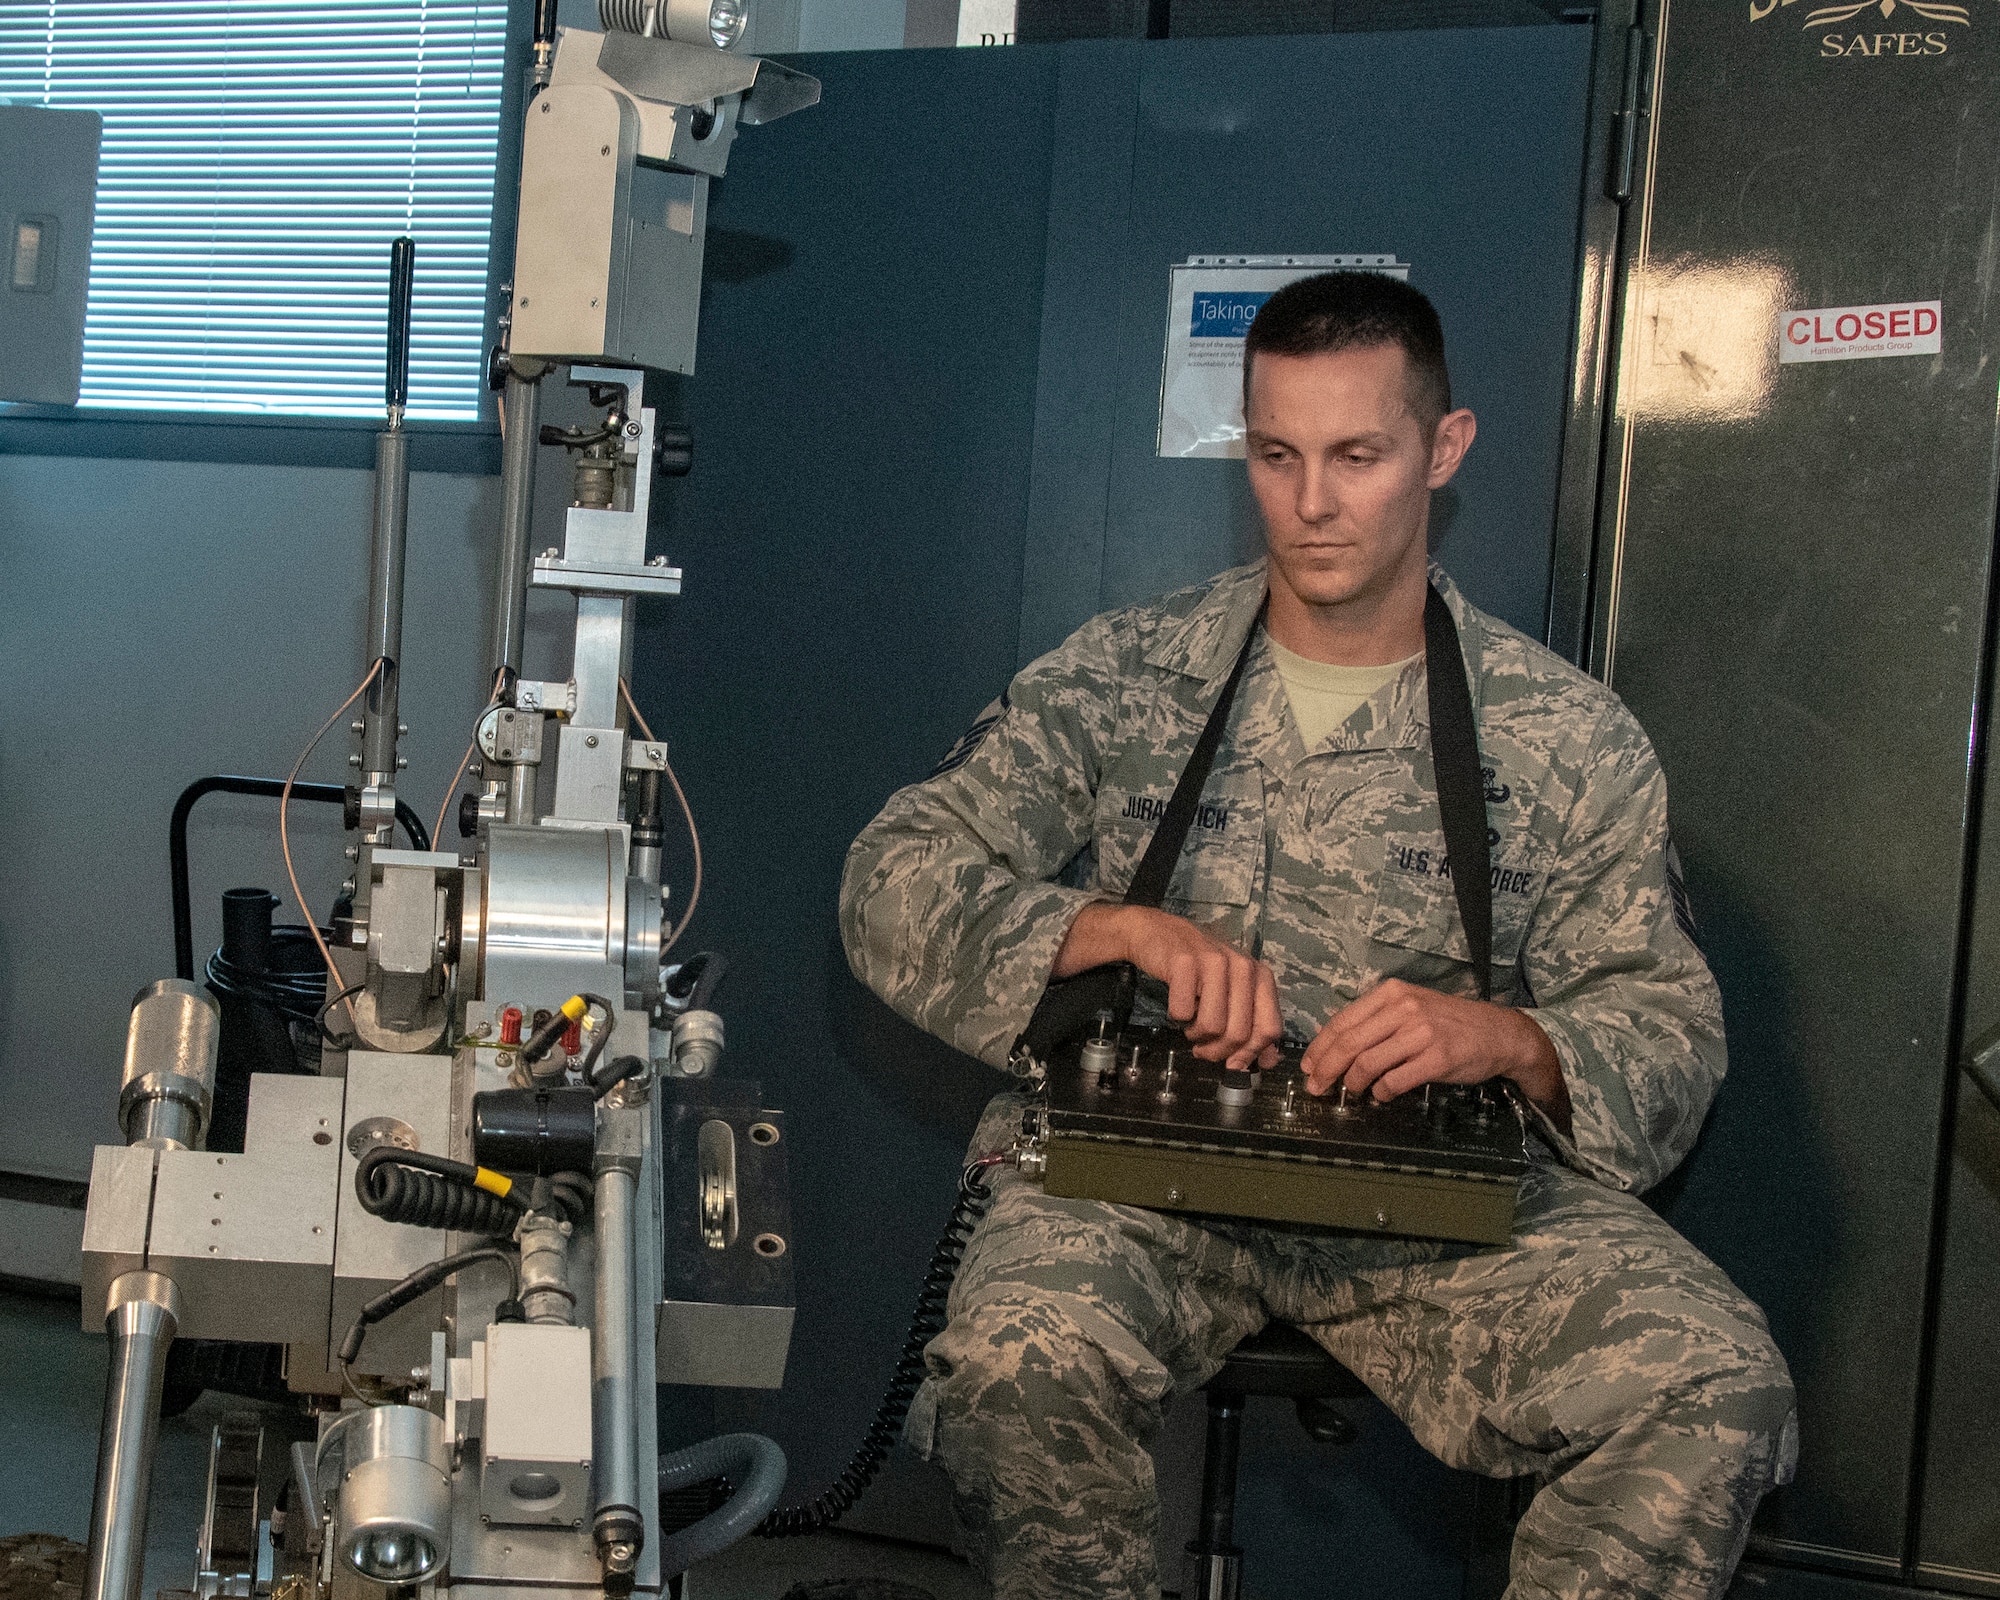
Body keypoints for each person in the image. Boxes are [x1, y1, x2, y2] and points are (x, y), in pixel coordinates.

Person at [838, 271, 1796, 1599]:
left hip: (1429, 1199)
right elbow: (890, 874)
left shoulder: (1565, 738)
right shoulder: (1130, 675)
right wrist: (1109, 932)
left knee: (1712, 1385)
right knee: (1019, 1357)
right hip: (1135, 1179)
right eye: (1278, 455)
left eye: (1358, 455)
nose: (1312, 501)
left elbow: (1669, 1026)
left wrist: (1510, 1038)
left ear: (1442, 452)